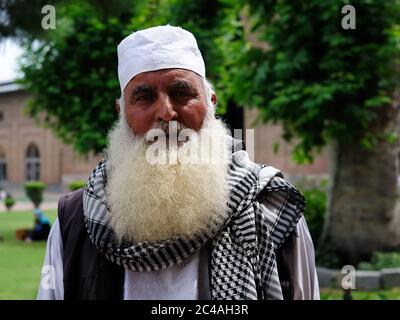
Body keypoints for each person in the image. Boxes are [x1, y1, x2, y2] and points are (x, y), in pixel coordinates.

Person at [37, 25, 320, 300]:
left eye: (182, 92)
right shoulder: (75, 221)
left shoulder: (271, 207)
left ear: (210, 103)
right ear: (122, 112)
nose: (166, 112)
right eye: (145, 96)